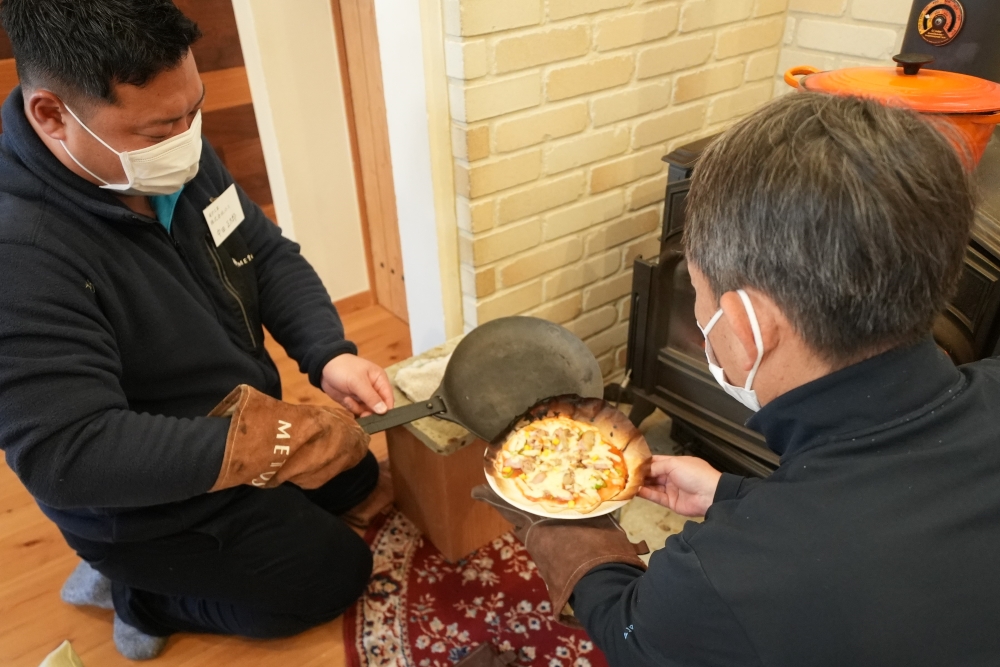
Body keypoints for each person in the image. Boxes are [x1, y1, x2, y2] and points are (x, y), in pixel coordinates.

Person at [475, 91, 1000, 666]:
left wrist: (570, 536)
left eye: (699, 296)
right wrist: (732, 493)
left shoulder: (723, 578)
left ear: (749, 325)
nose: (699, 317)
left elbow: (633, 635)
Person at [0, 0, 395, 660]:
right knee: (333, 575)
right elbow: (70, 457)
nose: (186, 140)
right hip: (144, 502)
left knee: (357, 475)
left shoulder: (171, 156)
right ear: (51, 115)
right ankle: (137, 591)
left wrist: (329, 354)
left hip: (238, 421)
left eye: (193, 112)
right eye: (159, 129)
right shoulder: (23, 253)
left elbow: (264, 253)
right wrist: (263, 448)